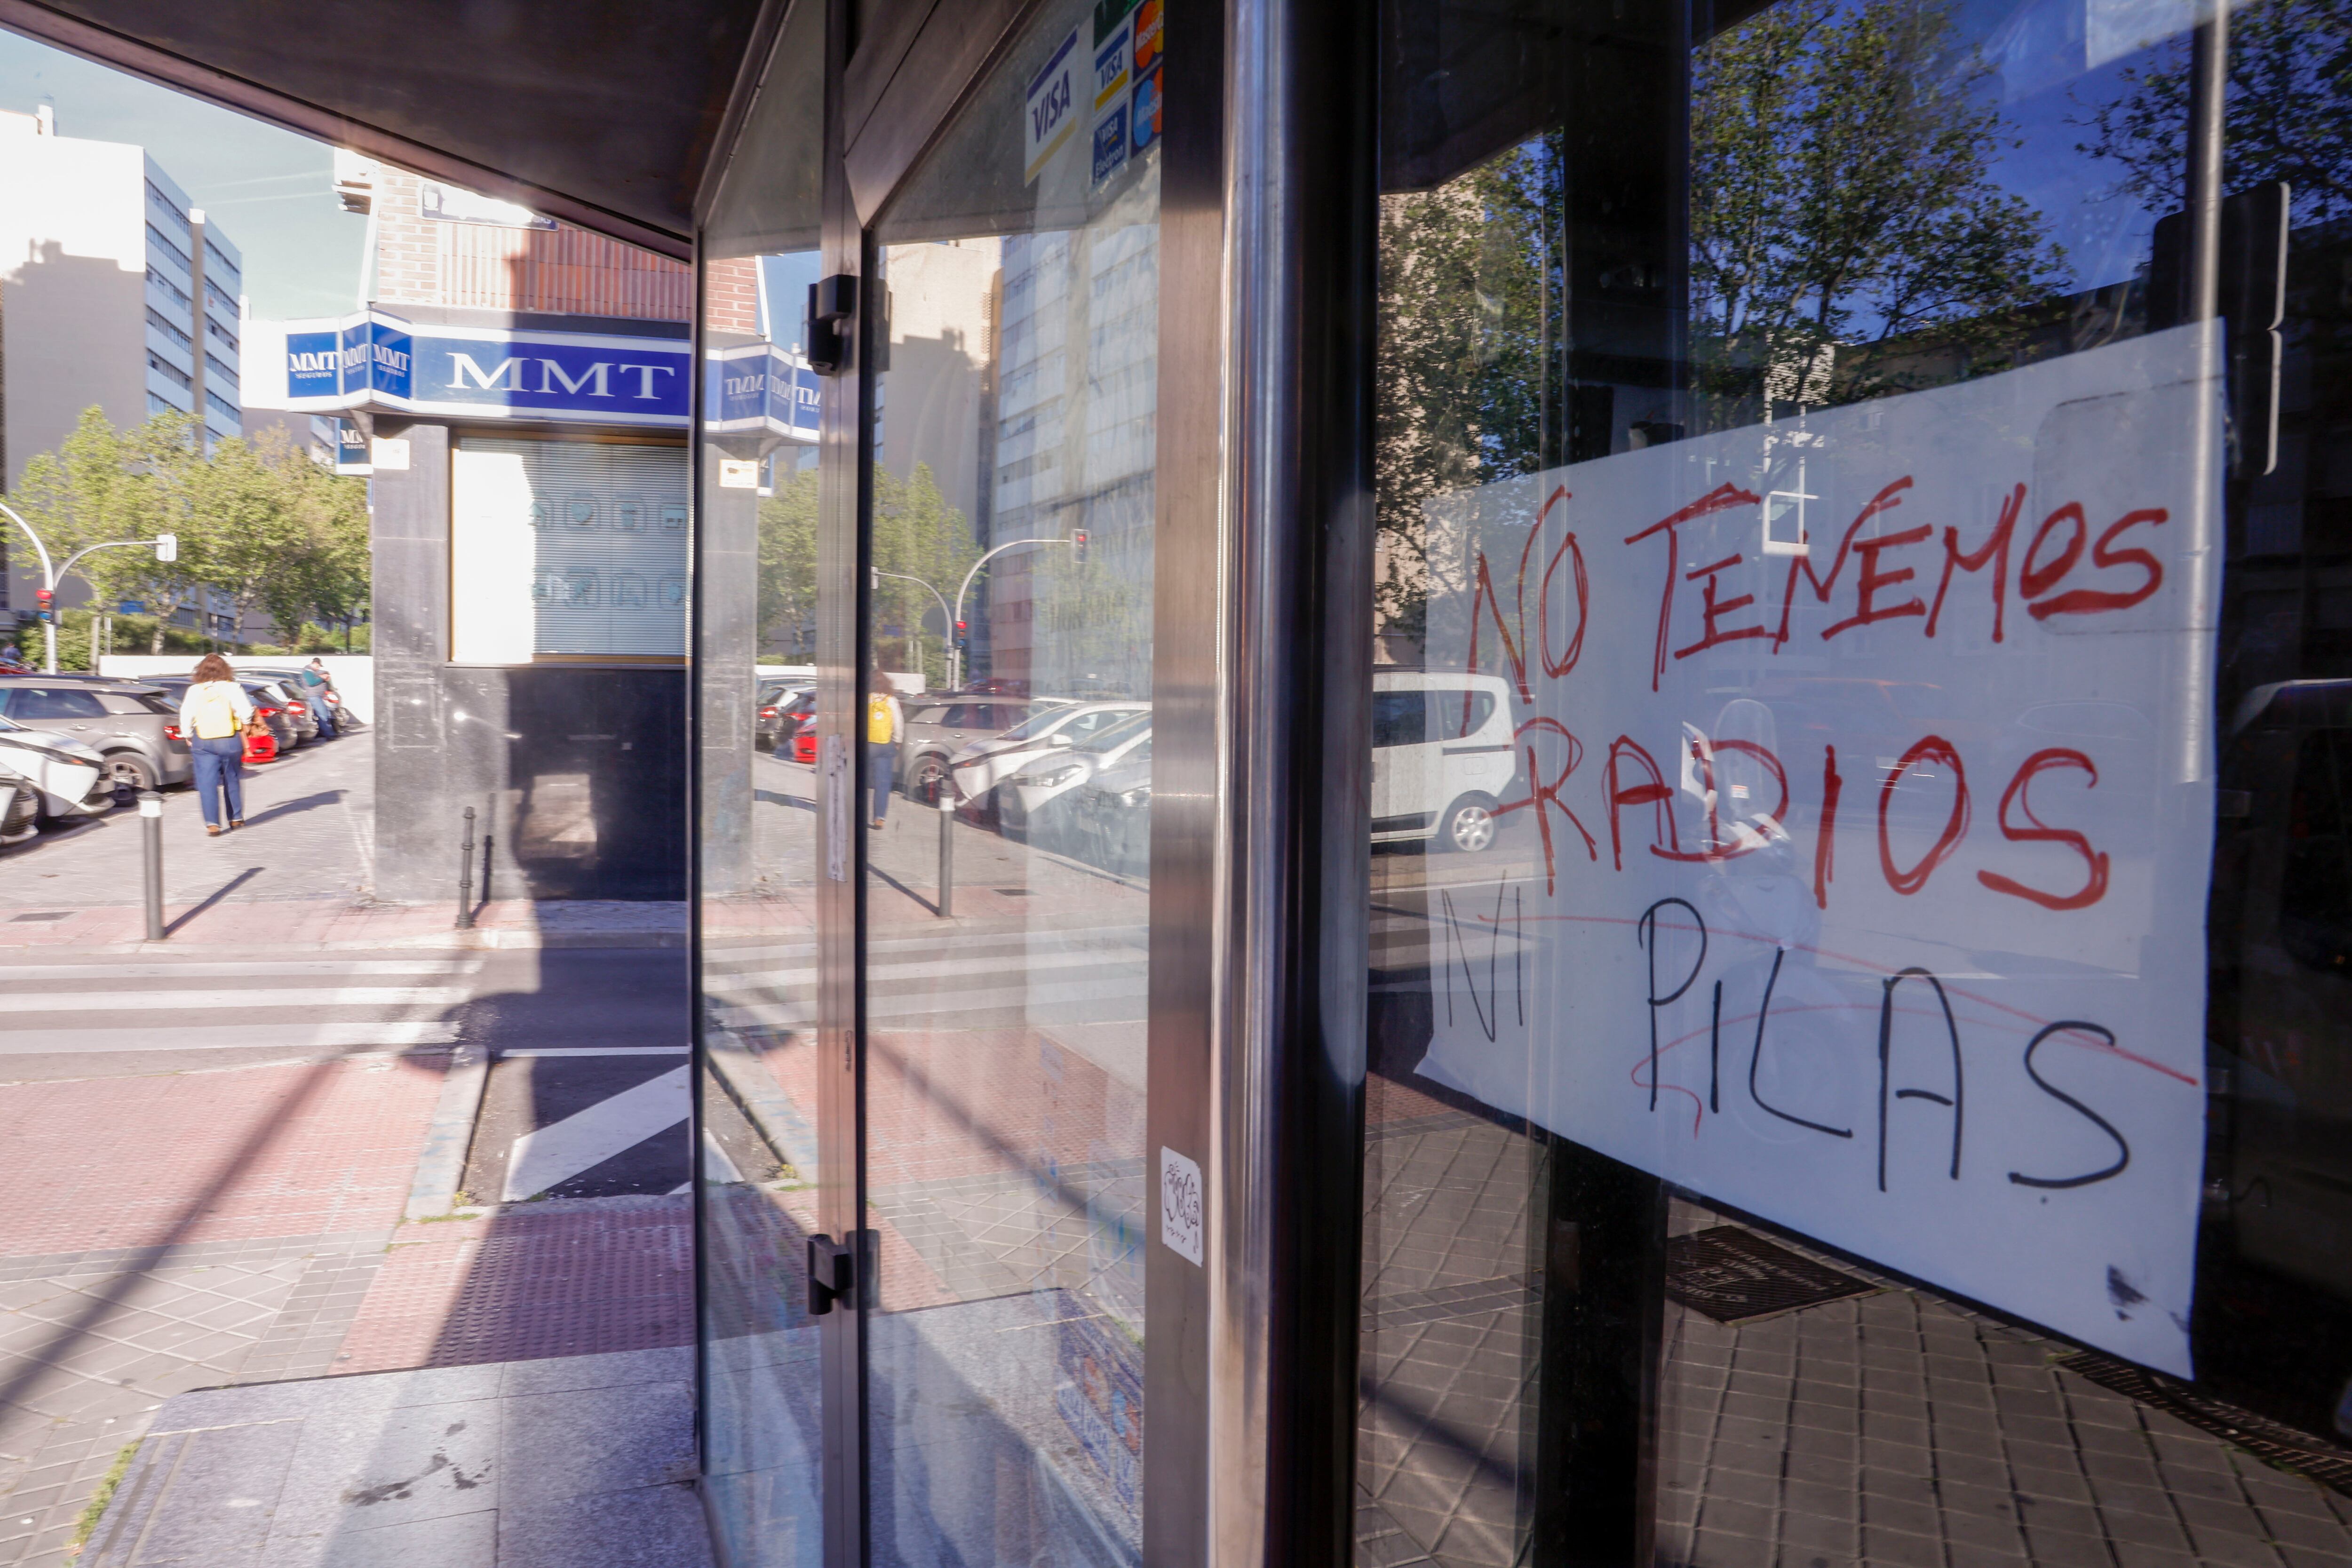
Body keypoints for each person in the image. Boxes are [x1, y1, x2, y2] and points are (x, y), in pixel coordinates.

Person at [179, 653, 254, 836]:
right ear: (225, 670)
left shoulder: (195, 690)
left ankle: (213, 824)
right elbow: (246, 712)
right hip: (230, 739)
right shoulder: (233, 688)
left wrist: (188, 735)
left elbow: (186, 715)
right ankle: (236, 819)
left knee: (206, 783)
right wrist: (246, 724)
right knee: (232, 778)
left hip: (203, 740)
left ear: (201, 670)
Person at [866, 667, 903, 828]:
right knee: (883, 782)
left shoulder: (866, 698)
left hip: (867, 745)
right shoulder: (891, 700)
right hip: (885, 745)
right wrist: (898, 740)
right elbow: (898, 722)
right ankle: (879, 818)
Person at [298, 658, 338, 740]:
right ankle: (330, 735)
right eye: (318, 666)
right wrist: (322, 678)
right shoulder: (308, 672)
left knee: (324, 714)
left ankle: (325, 733)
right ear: (315, 663)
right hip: (314, 696)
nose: (319, 668)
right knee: (323, 716)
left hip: (317, 696)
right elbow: (312, 683)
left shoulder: (312, 672)